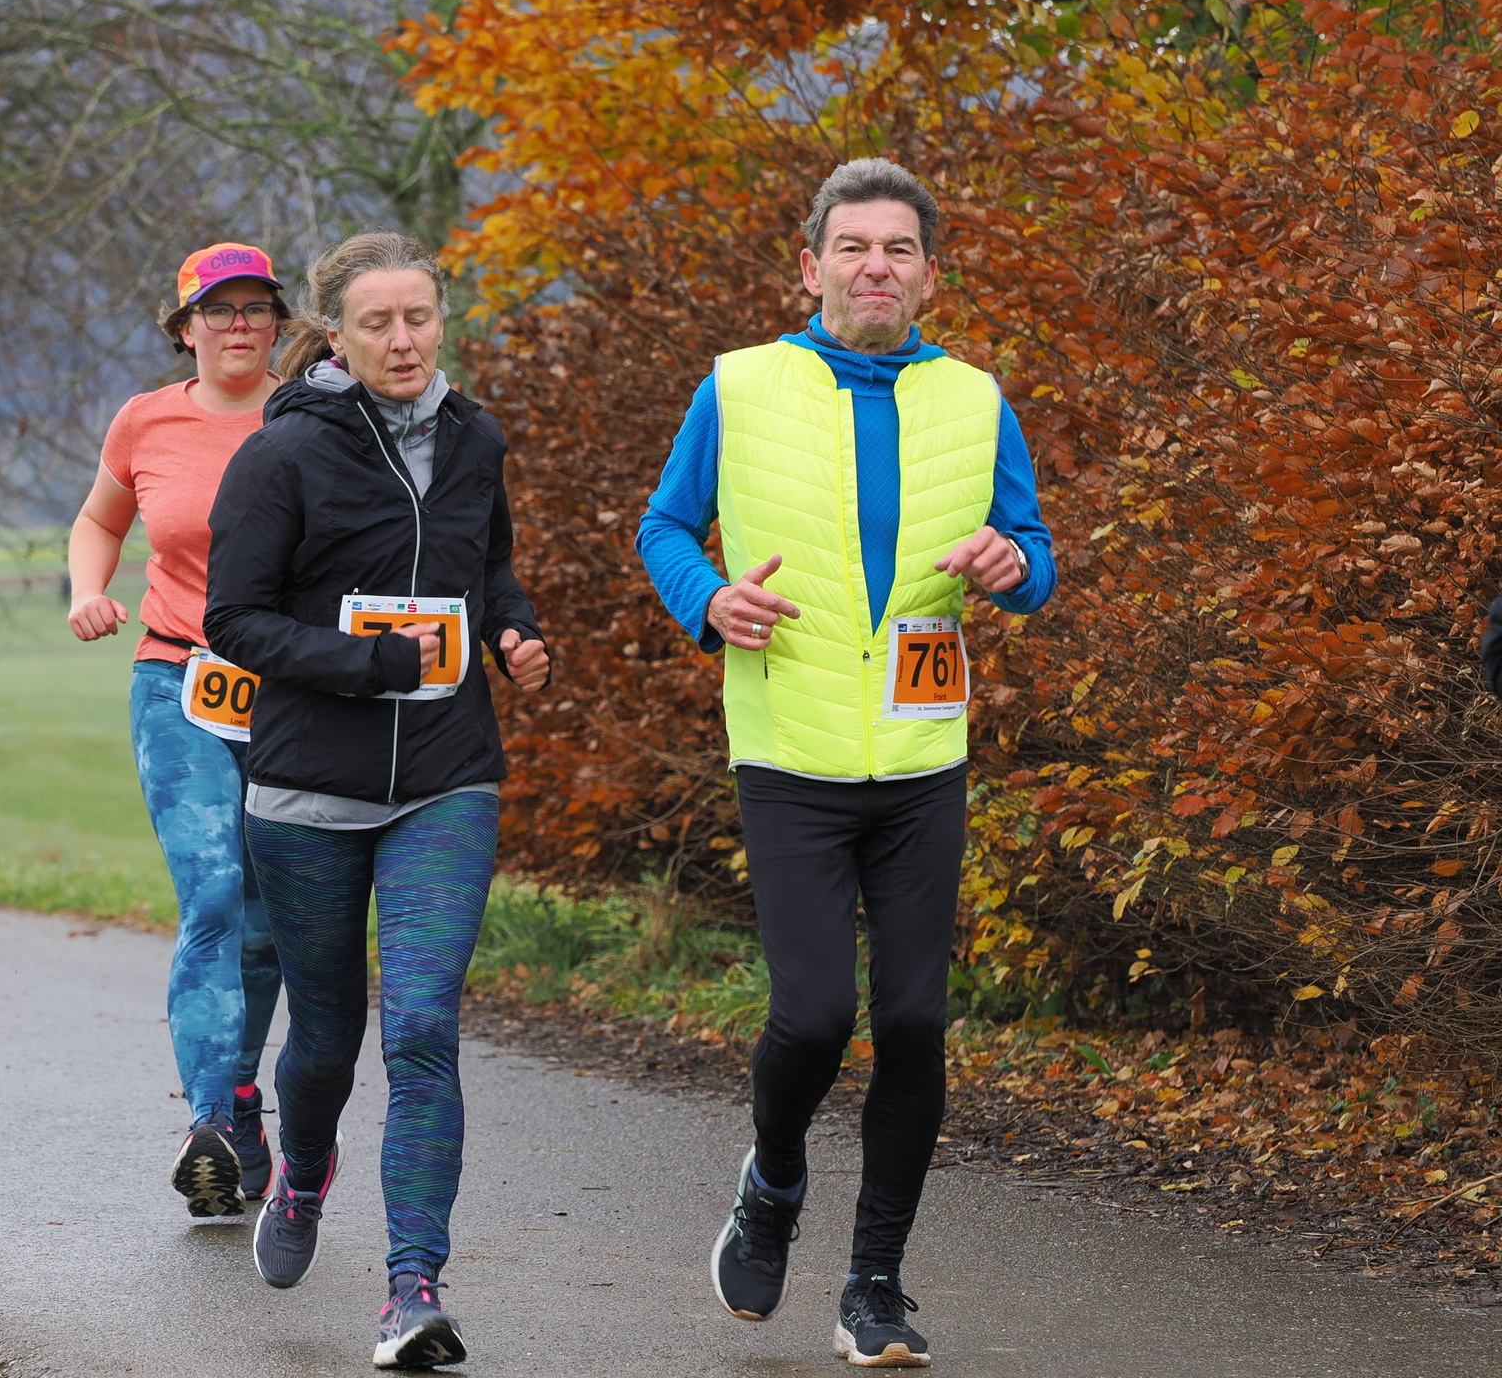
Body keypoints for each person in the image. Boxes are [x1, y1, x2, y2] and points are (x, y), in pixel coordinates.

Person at [635, 159, 1057, 1368]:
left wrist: (1010, 567)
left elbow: (1031, 554)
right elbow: (664, 525)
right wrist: (707, 598)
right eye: (853, 246)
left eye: (898, 249)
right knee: (815, 1015)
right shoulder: (737, 385)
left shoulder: (974, 398)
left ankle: (873, 1284)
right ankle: (771, 1181)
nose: (876, 266)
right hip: (791, 749)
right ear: (810, 265)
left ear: (928, 274)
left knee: (913, 1023)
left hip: (921, 755)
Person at [205, 231, 550, 1371]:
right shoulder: (283, 455)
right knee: (326, 1037)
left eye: (419, 318)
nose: (403, 341)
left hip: (446, 782)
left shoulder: (476, 437)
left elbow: (487, 568)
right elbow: (233, 620)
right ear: (336, 337)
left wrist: (513, 632)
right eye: (377, 324)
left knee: (421, 1030)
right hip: (307, 789)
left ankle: (413, 1288)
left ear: (441, 318)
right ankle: (304, 1172)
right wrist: (368, 665)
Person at [66, 243, 290, 1218]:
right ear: (185, 326)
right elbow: (98, 520)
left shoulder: (314, 413)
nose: (238, 325)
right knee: (213, 890)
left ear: (277, 323)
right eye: (219, 310)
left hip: (292, 691)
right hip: (177, 680)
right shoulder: (145, 420)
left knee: (270, 918)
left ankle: (238, 1099)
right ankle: (209, 1121)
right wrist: (87, 590)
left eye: (256, 308)